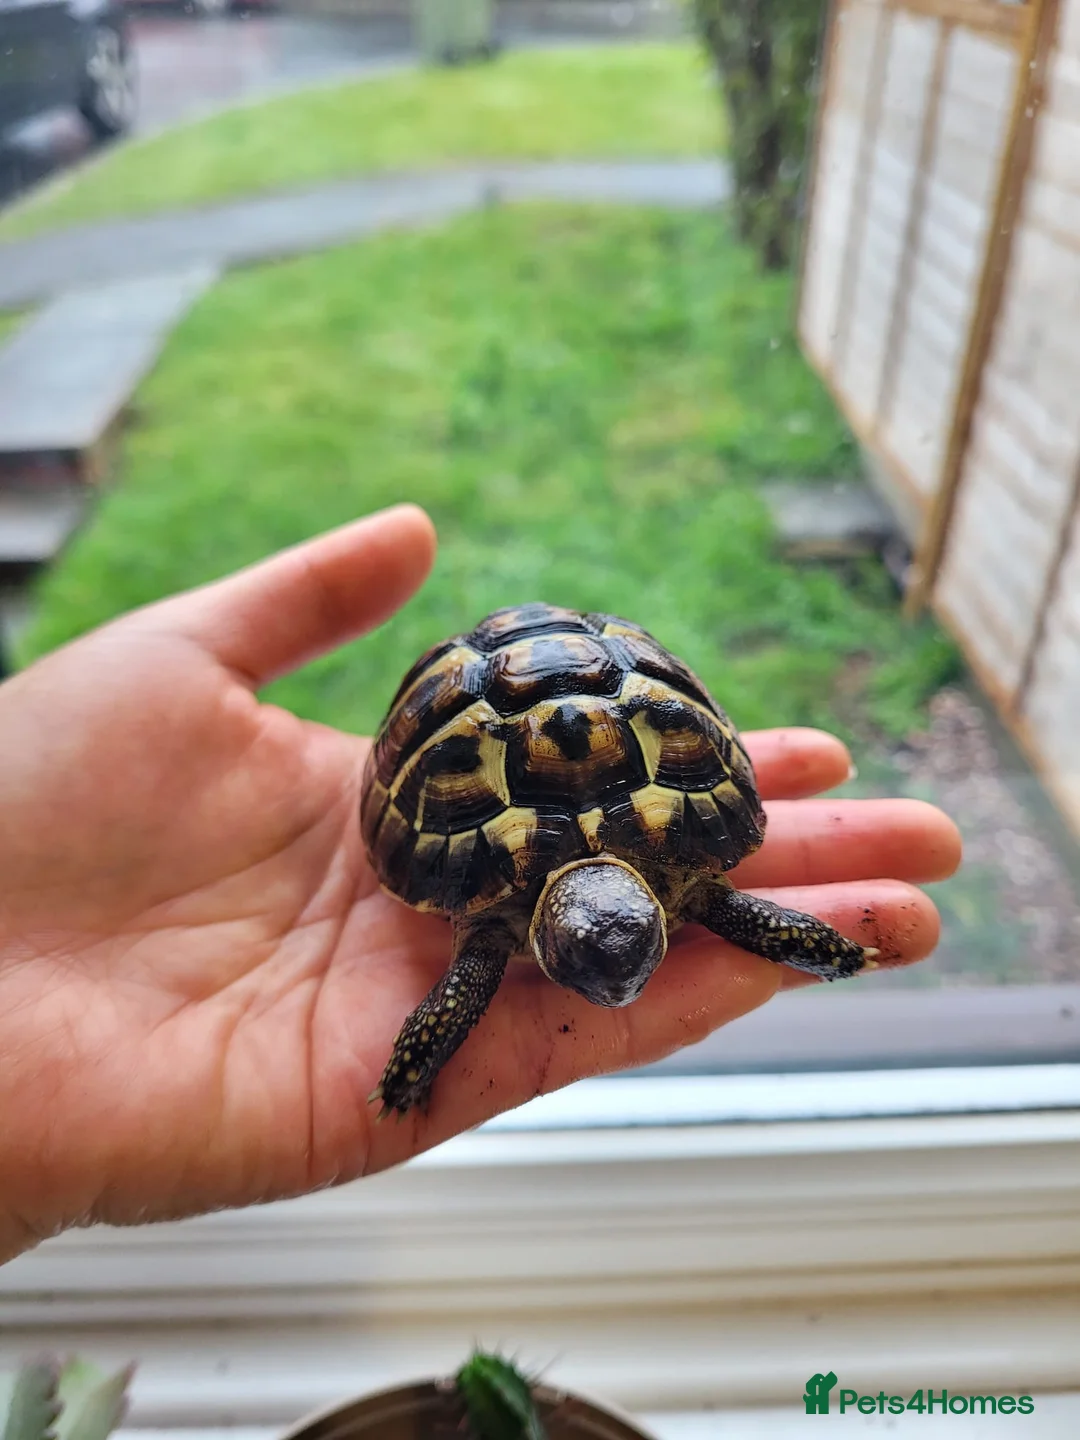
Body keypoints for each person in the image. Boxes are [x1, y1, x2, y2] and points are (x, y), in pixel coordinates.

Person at [0, 504, 961, 1265]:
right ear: (548, 934)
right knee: (488, 983)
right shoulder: (586, 909)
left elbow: (734, 909)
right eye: (595, 958)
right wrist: (407, 1069)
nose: (614, 984)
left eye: (631, 950)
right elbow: (712, 916)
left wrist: (826, 945)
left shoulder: (678, 888)